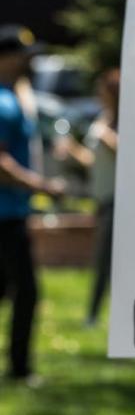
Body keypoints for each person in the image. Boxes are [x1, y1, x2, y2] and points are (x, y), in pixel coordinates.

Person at [0, 25, 65, 383]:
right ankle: (19, 368)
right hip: (5, 215)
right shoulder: (2, 102)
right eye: (25, 55)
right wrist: (41, 186)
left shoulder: (13, 97)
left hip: (11, 212)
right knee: (26, 291)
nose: (31, 61)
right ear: (7, 58)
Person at [56, 68, 120, 325]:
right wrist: (73, 151)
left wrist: (107, 138)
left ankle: (97, 316)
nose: (97, 95)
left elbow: (127, 155)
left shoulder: (122, 122)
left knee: (108, 260)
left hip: (119, 201)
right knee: (102, 260)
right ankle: (94, 314)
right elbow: (95, 162)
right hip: (103, 198)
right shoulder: (103, 119)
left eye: (101, 90)